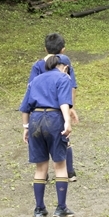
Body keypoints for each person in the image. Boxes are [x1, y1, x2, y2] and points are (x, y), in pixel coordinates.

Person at [20, 55, 74, 217]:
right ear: (63, 66)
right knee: (60, 165)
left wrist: (26, 127)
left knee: (40, 168)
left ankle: (39, 209)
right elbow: (64, 102)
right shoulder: (63, 78)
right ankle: (61, 208)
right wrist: (67, 121)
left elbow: (25, 108)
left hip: (35, 120)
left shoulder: (35, 80)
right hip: (54, 119)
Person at [28, 33, 79, 182]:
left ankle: (43, 174)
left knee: (41, 141)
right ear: (63, 49)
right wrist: (70, 107)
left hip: (39, 110)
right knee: (65, 138)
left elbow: (30, 87)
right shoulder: (65, 63)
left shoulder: (38, 65)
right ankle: (69, 172)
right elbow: (72, 86)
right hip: (58, 109)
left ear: (45, 49)